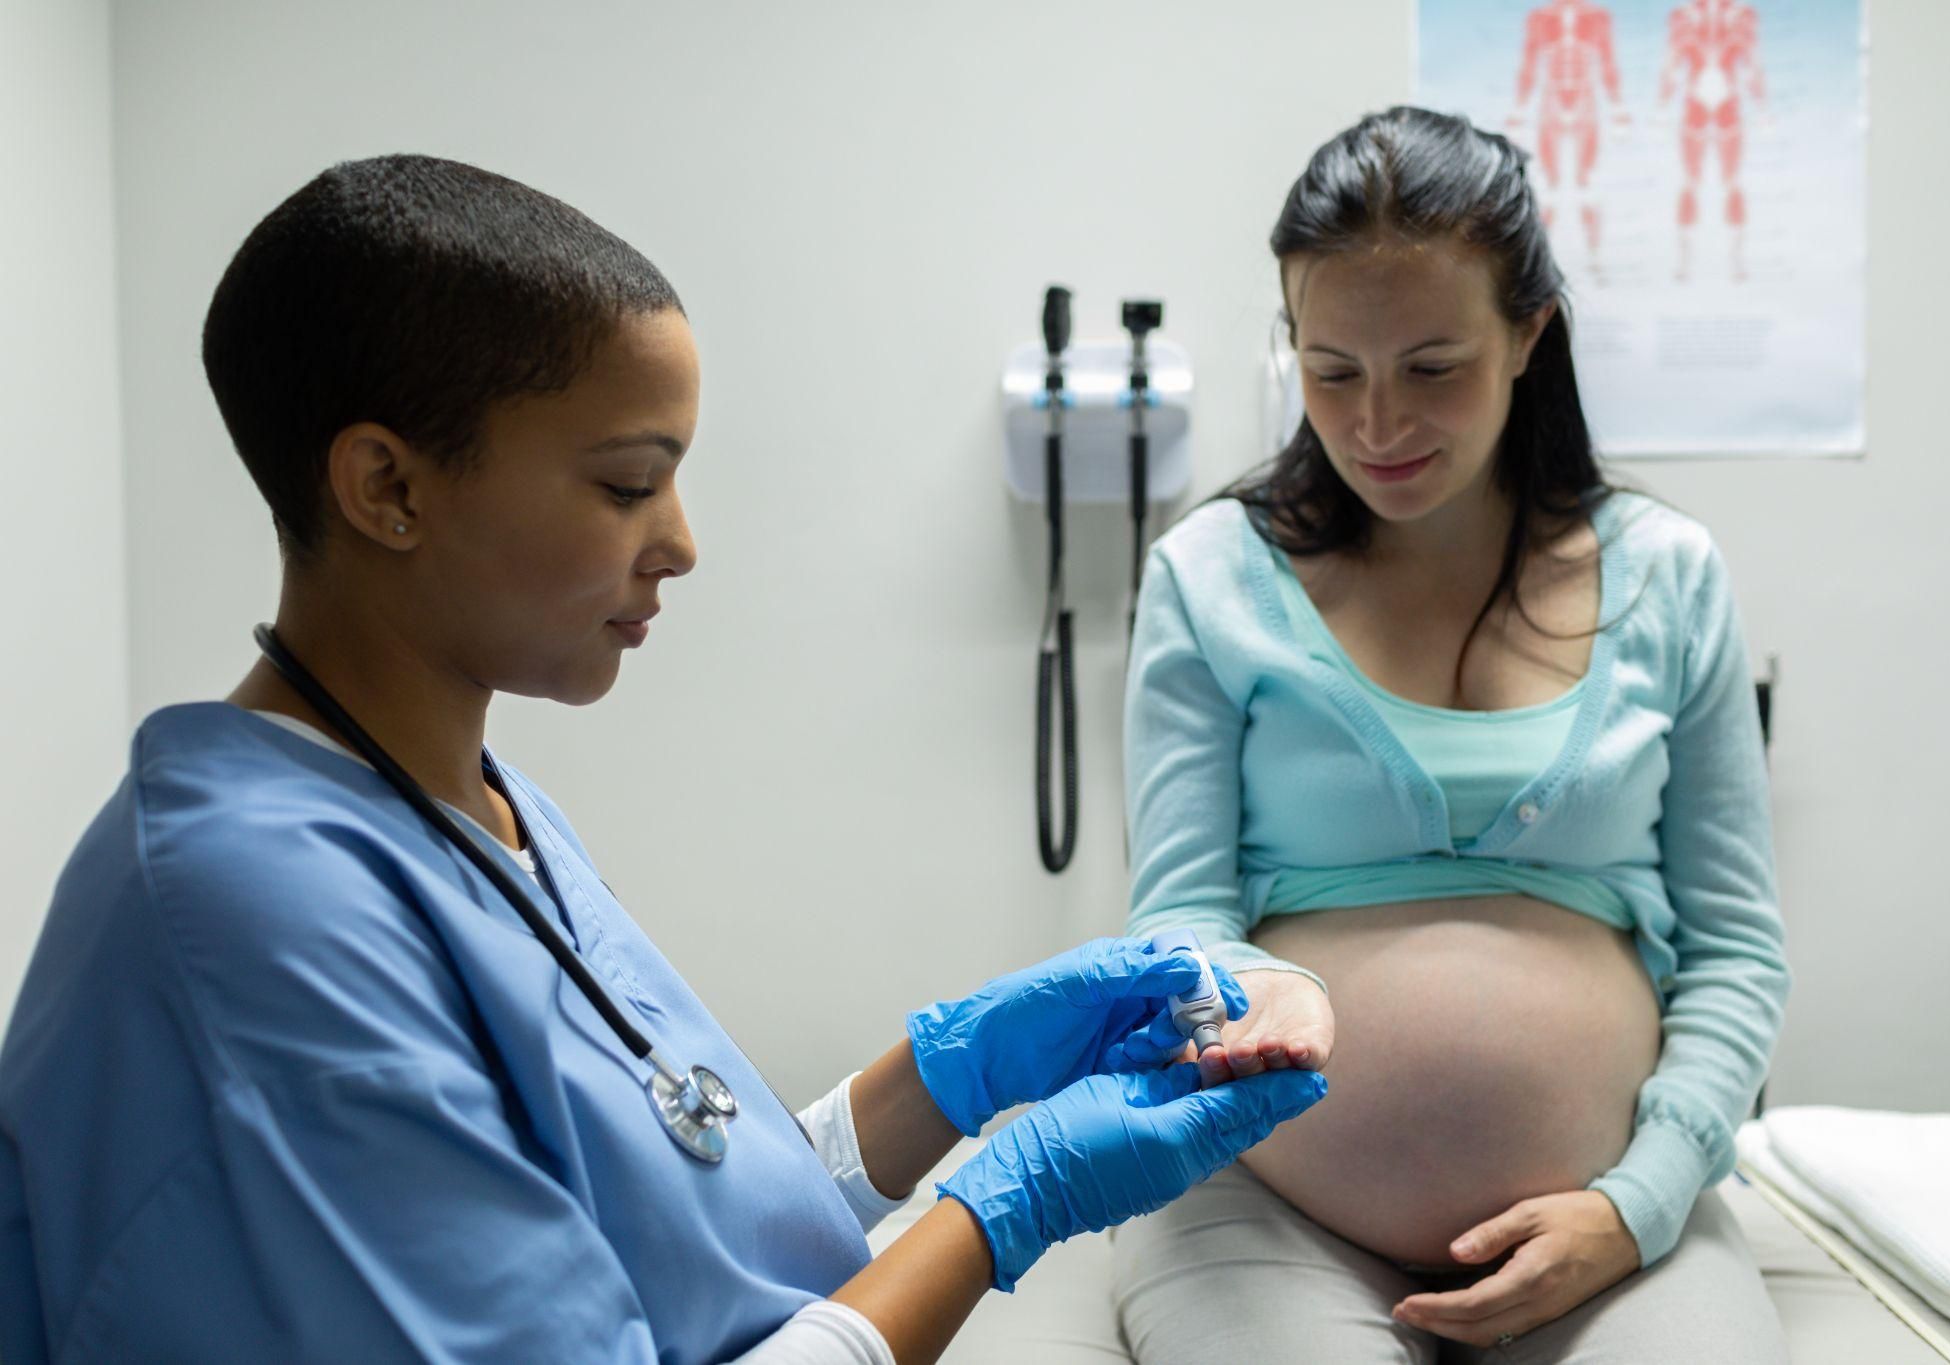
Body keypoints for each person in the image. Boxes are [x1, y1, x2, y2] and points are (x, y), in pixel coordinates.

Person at [0, 153, 1326, 1365]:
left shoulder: (466, 809)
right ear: (388, 488)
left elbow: (675, 1215)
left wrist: (949, 1077)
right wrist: (999, 1208)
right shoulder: (256, 920)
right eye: (630, 484)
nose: (680, 542)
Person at [1112, 107, 1792, 1361]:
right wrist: (1242, 992)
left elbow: (1737, 953)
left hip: (1610, 1219)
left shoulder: (1668, 577)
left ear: (1528, 333)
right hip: (1268, 1196)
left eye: (1431, 368)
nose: (1376, 425)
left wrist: (1633, 1206)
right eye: (1331, 371)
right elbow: (1175, 919)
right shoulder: (1209, 576)